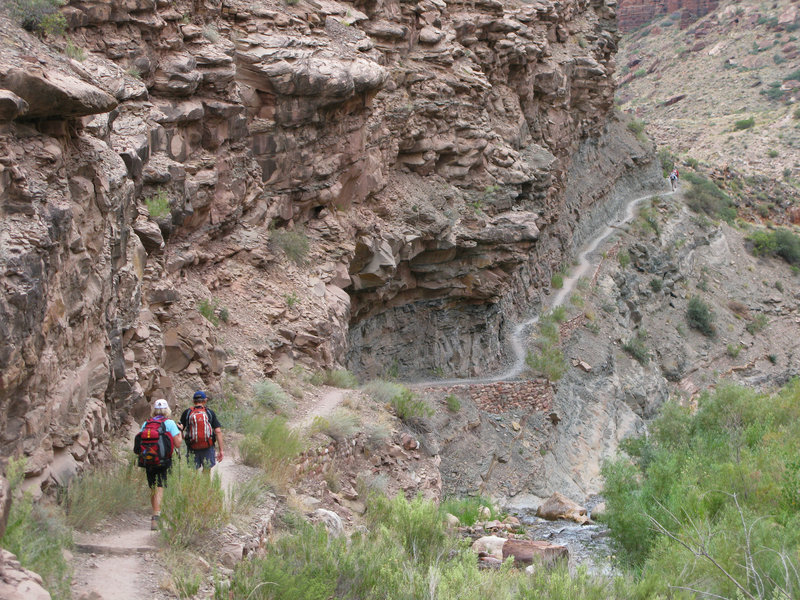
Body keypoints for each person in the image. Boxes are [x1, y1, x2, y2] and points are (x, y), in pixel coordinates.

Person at [140, 399, 182, 530]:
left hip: (148, 459)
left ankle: (155, 512)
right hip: (164, 460)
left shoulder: (146, 423)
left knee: (153, 487)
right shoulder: (169, 423)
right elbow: (178, 443)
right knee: (160, 486)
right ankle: (156, 517)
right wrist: (180, 431)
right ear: (167, 410)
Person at [179, 390, 224, 474]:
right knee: (207, 470)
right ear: (205, 400)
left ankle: (196, 487)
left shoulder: (187, 412)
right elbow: (218, 431)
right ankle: (206, 486)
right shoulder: (209, 413)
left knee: (193, 472)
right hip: (207, 446)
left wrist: (184, 438)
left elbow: (179, 429)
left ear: (193, 401)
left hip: (192, 446)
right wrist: (221, 450)